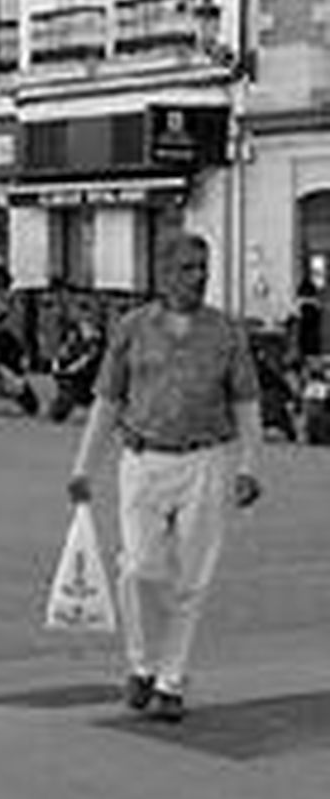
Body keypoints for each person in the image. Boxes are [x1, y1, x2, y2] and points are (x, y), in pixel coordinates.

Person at [66, 233, 263, 723]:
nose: (198, 276)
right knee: (139, 568)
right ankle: (141, 662)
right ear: (163, 273)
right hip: (143, 458)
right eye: (188, 267)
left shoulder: (226, 332)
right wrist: (83, 466)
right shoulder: (133, 328)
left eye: (204, 267)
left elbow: (246, 403)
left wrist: (249, 467)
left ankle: (171, 679)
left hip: (205, 460)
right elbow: (108, 400)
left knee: (192, 577)